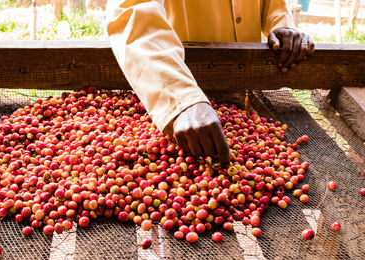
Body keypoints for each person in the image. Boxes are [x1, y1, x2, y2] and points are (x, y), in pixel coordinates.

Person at [105, 0, 315, 168]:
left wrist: (280, 22)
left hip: (243, 102)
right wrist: (182, 100)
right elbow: (131, 11)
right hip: (175, 94)